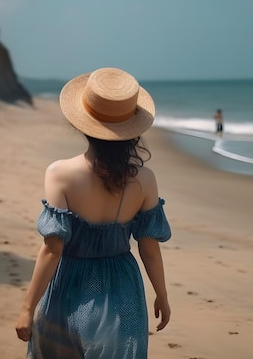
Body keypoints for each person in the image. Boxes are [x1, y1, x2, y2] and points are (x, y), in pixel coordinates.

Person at [15, 67, 172, 359]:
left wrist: (27, 309)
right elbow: (149, 248)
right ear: (133, 129)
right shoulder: (146, 179)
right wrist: (161, 294)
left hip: (68, 285)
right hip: (121, 288)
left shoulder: (59, 173)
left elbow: (52, 249)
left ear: (82, 124)